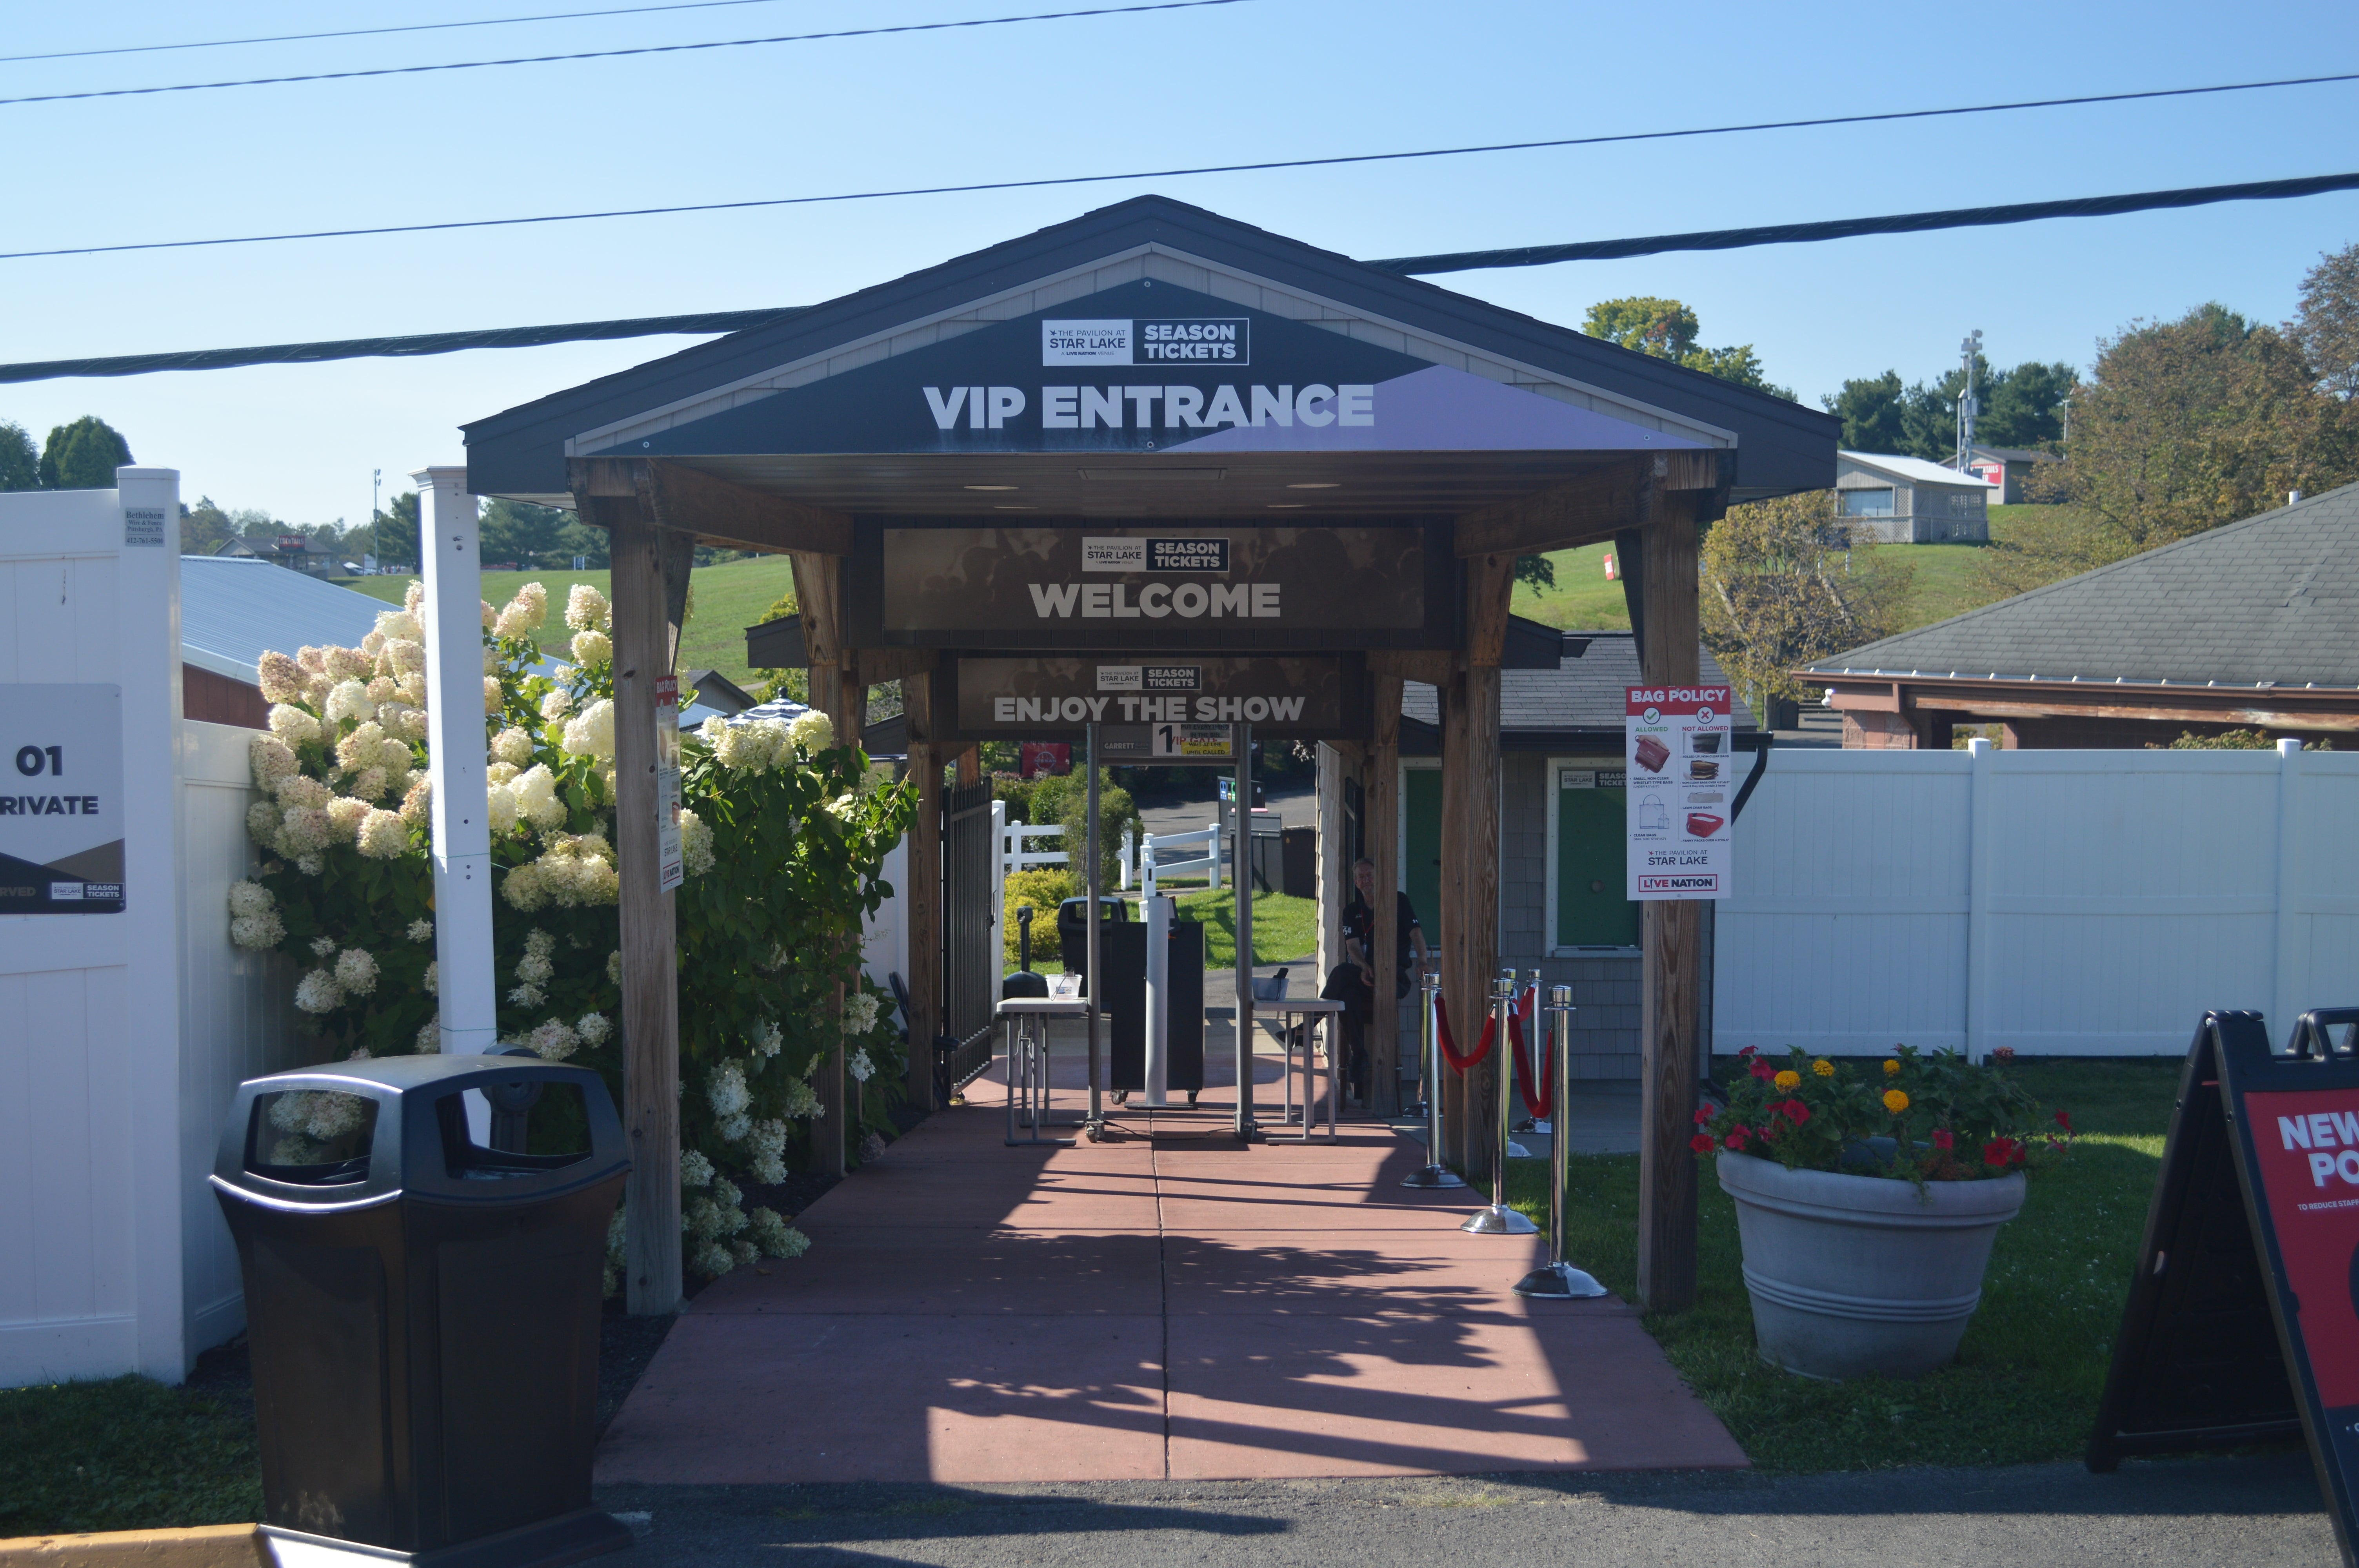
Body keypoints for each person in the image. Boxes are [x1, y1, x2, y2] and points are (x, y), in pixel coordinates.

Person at [1323, 857, 1431, 1104]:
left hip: (1394, 977)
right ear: (1356, 882)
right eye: (1360, 877)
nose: (1365, 880)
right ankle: (1359, 1055)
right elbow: (1352, 947)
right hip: (1364, 977)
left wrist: (1423, 961)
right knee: (1347, 990)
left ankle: (1311, 1024)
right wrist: (1363, 967)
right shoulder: (1352, 911)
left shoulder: (1398, 901)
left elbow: (1416, 933)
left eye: (1369, 875)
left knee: (1341, 975)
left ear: (1379, 877)